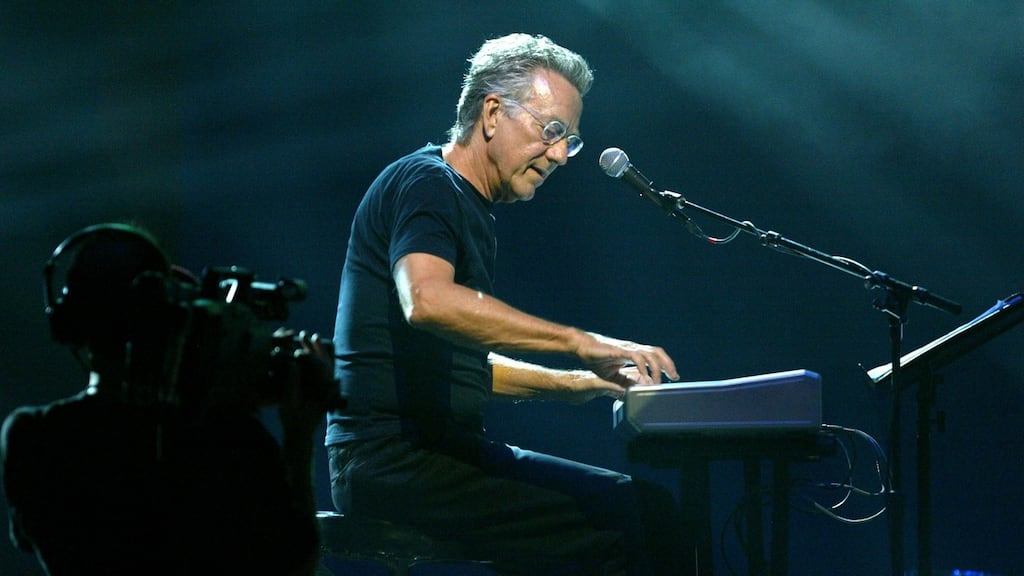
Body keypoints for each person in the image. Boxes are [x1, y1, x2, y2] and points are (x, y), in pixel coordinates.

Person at [326, 34, 684, 575]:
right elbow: (427, 302)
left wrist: (577, 384)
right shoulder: (428, 183)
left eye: (571, 141)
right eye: (553, 131)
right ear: (492, 113)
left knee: (642, 511)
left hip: (435, 456)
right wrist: (581, 343)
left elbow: (457, 362)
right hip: (389, 462)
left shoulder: (468, 206)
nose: (562, 155)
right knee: (624, 519)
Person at [2, 223, 336, 575]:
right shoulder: (225, 438)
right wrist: (297, 438)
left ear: (70, 322)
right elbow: (294, 565)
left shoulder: (31, 436)